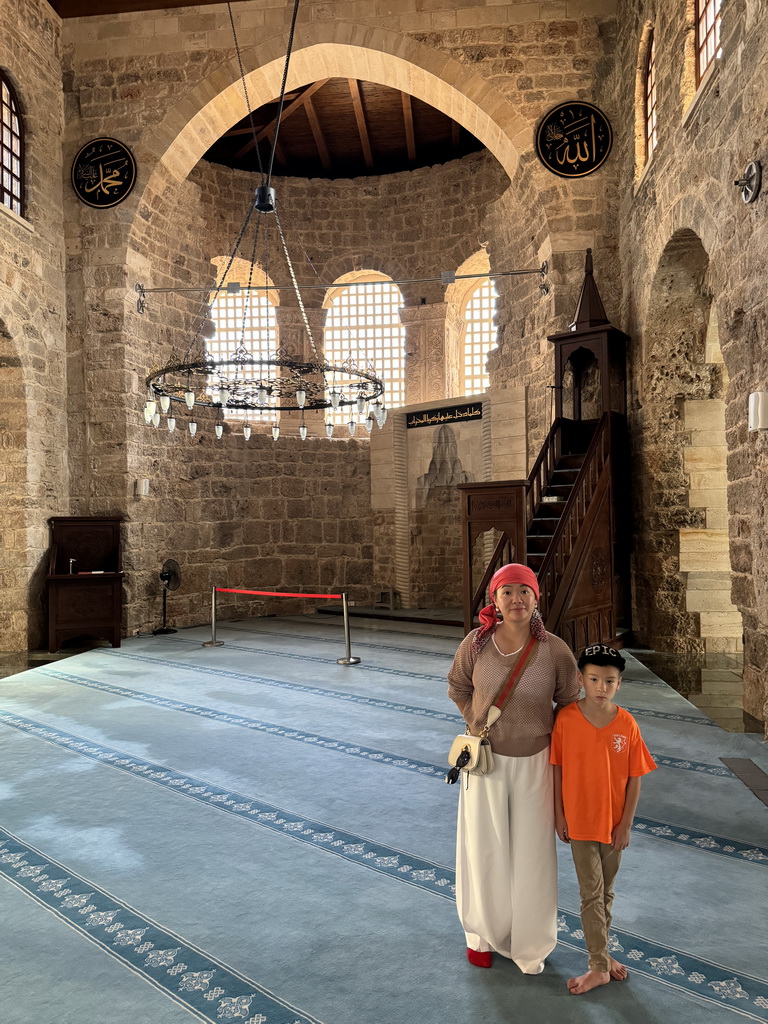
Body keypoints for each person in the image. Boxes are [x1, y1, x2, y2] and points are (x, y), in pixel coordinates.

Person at [447, 563, 580, 973]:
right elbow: (458, 687)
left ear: (536, 598)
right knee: (484, 850)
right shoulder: (476, 643)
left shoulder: (555, 650)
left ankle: (529, 944)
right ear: (495, 599)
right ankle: (482, 934)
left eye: (524, 591)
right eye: (507, 591)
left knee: (531, 855)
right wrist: (477, 722)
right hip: (484, 765)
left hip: (535, 766)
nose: (516, 599)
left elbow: (570, 702)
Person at [550, 644, 656, 995]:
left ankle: (602, 953)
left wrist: (625, 824)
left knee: (606, 893)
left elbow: (635, 776)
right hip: (579, 822)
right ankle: (598, 965)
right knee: (591, 894)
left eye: (609, 681)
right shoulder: (565, 719)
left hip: (613, 825)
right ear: (580, 679)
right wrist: (559, 813)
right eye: (593, 679)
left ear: (619, 684)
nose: (601, 687)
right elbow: (557, 768)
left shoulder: (626, 723)